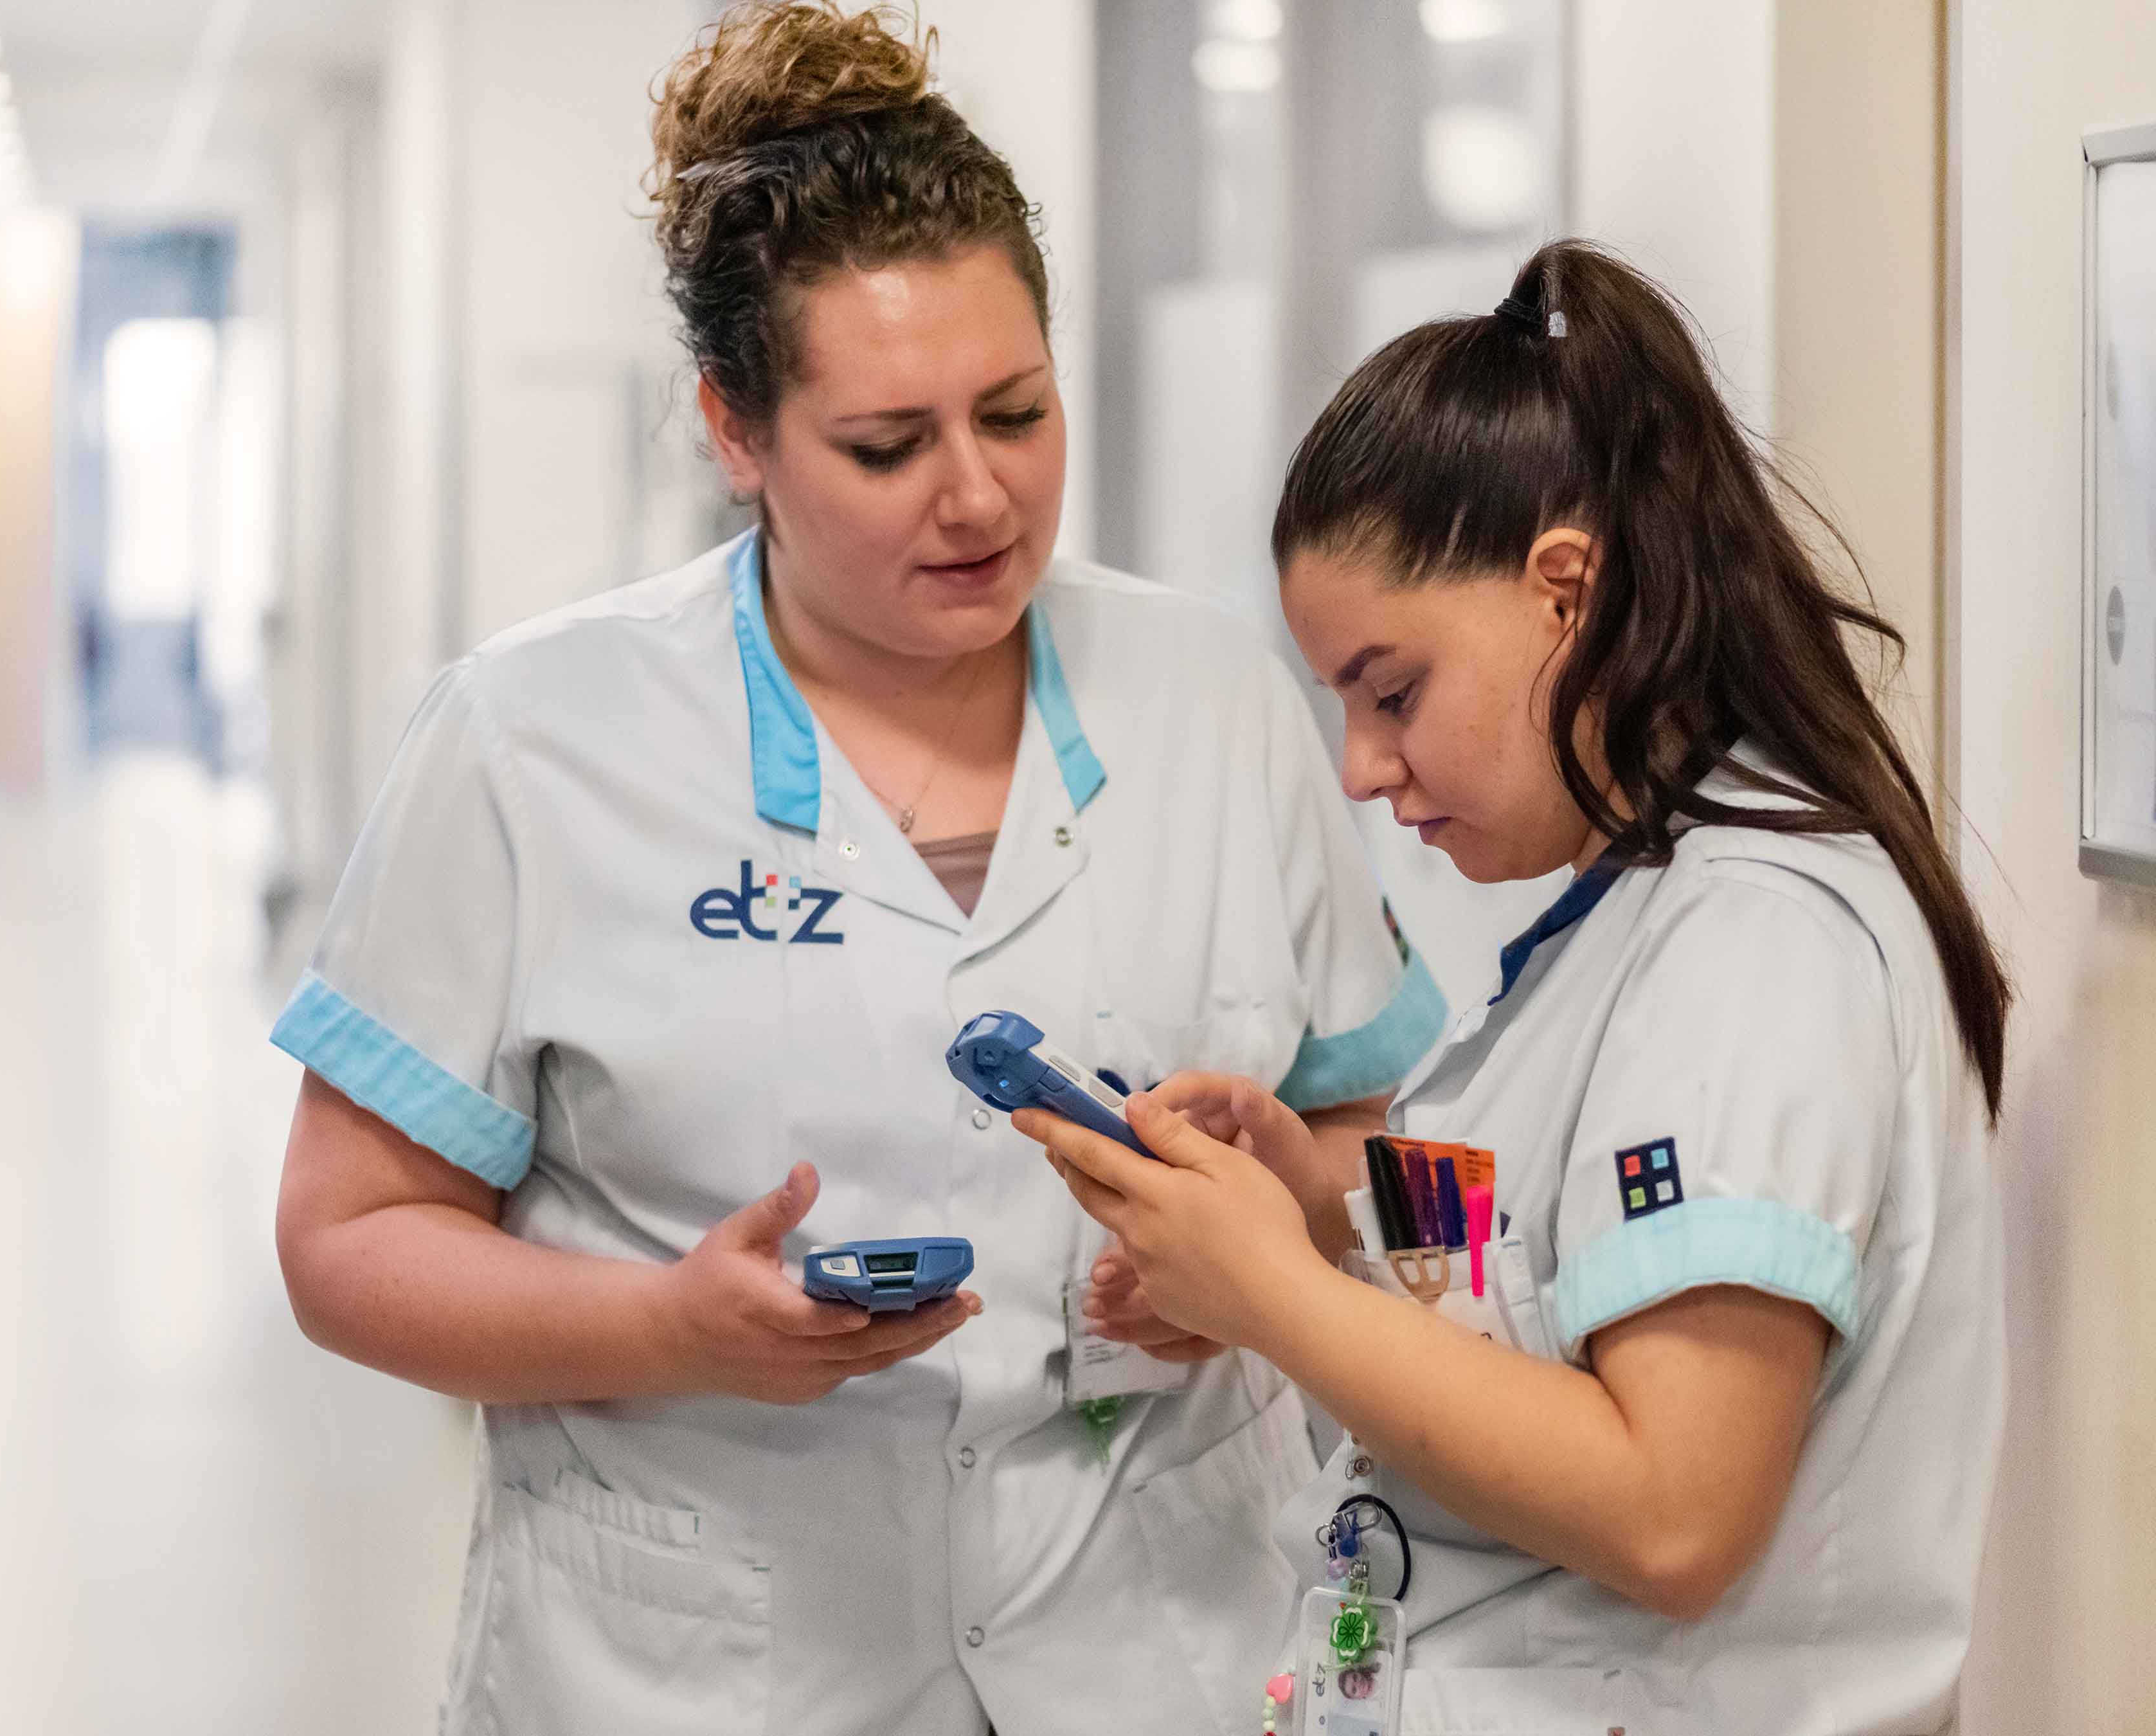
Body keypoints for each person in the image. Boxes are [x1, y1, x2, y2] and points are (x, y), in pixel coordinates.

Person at [268, 6, 1446, 1731]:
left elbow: (1377, 1146)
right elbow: (345, 1240)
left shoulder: (1215, 701)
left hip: (1159, 1642)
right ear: (735, 430)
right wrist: (668, 1327)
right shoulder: (531, 739)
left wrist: (1278, 1233)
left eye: (1018, 414)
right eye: (888, 445)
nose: (978, 498)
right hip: (706, 1663)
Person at [1034, 240, 2009, 1735]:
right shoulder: (1640, 905)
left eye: (1393, 692)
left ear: (1566, 591)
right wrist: (1318, 1201)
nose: (1363, 768)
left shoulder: (1757, 947)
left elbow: (1672, 1511)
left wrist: (1276, 1295)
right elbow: (1558, 1253)